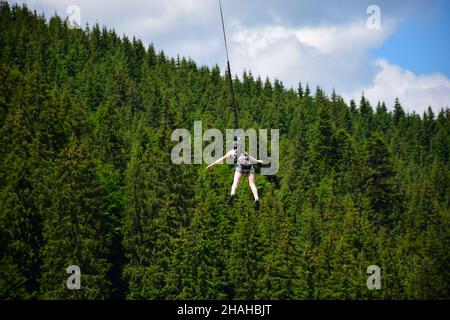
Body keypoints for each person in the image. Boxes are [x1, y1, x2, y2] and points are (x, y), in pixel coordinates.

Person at [207, 141, 263, 210]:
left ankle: (232, 194)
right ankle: (256, 199)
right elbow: (250, 158)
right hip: (249, 166)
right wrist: (257, 161)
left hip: (240, 167)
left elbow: (221, 159)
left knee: (235, 182)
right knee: (252, 184)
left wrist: (212, 164)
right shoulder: (243, 151)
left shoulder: (231, 152)